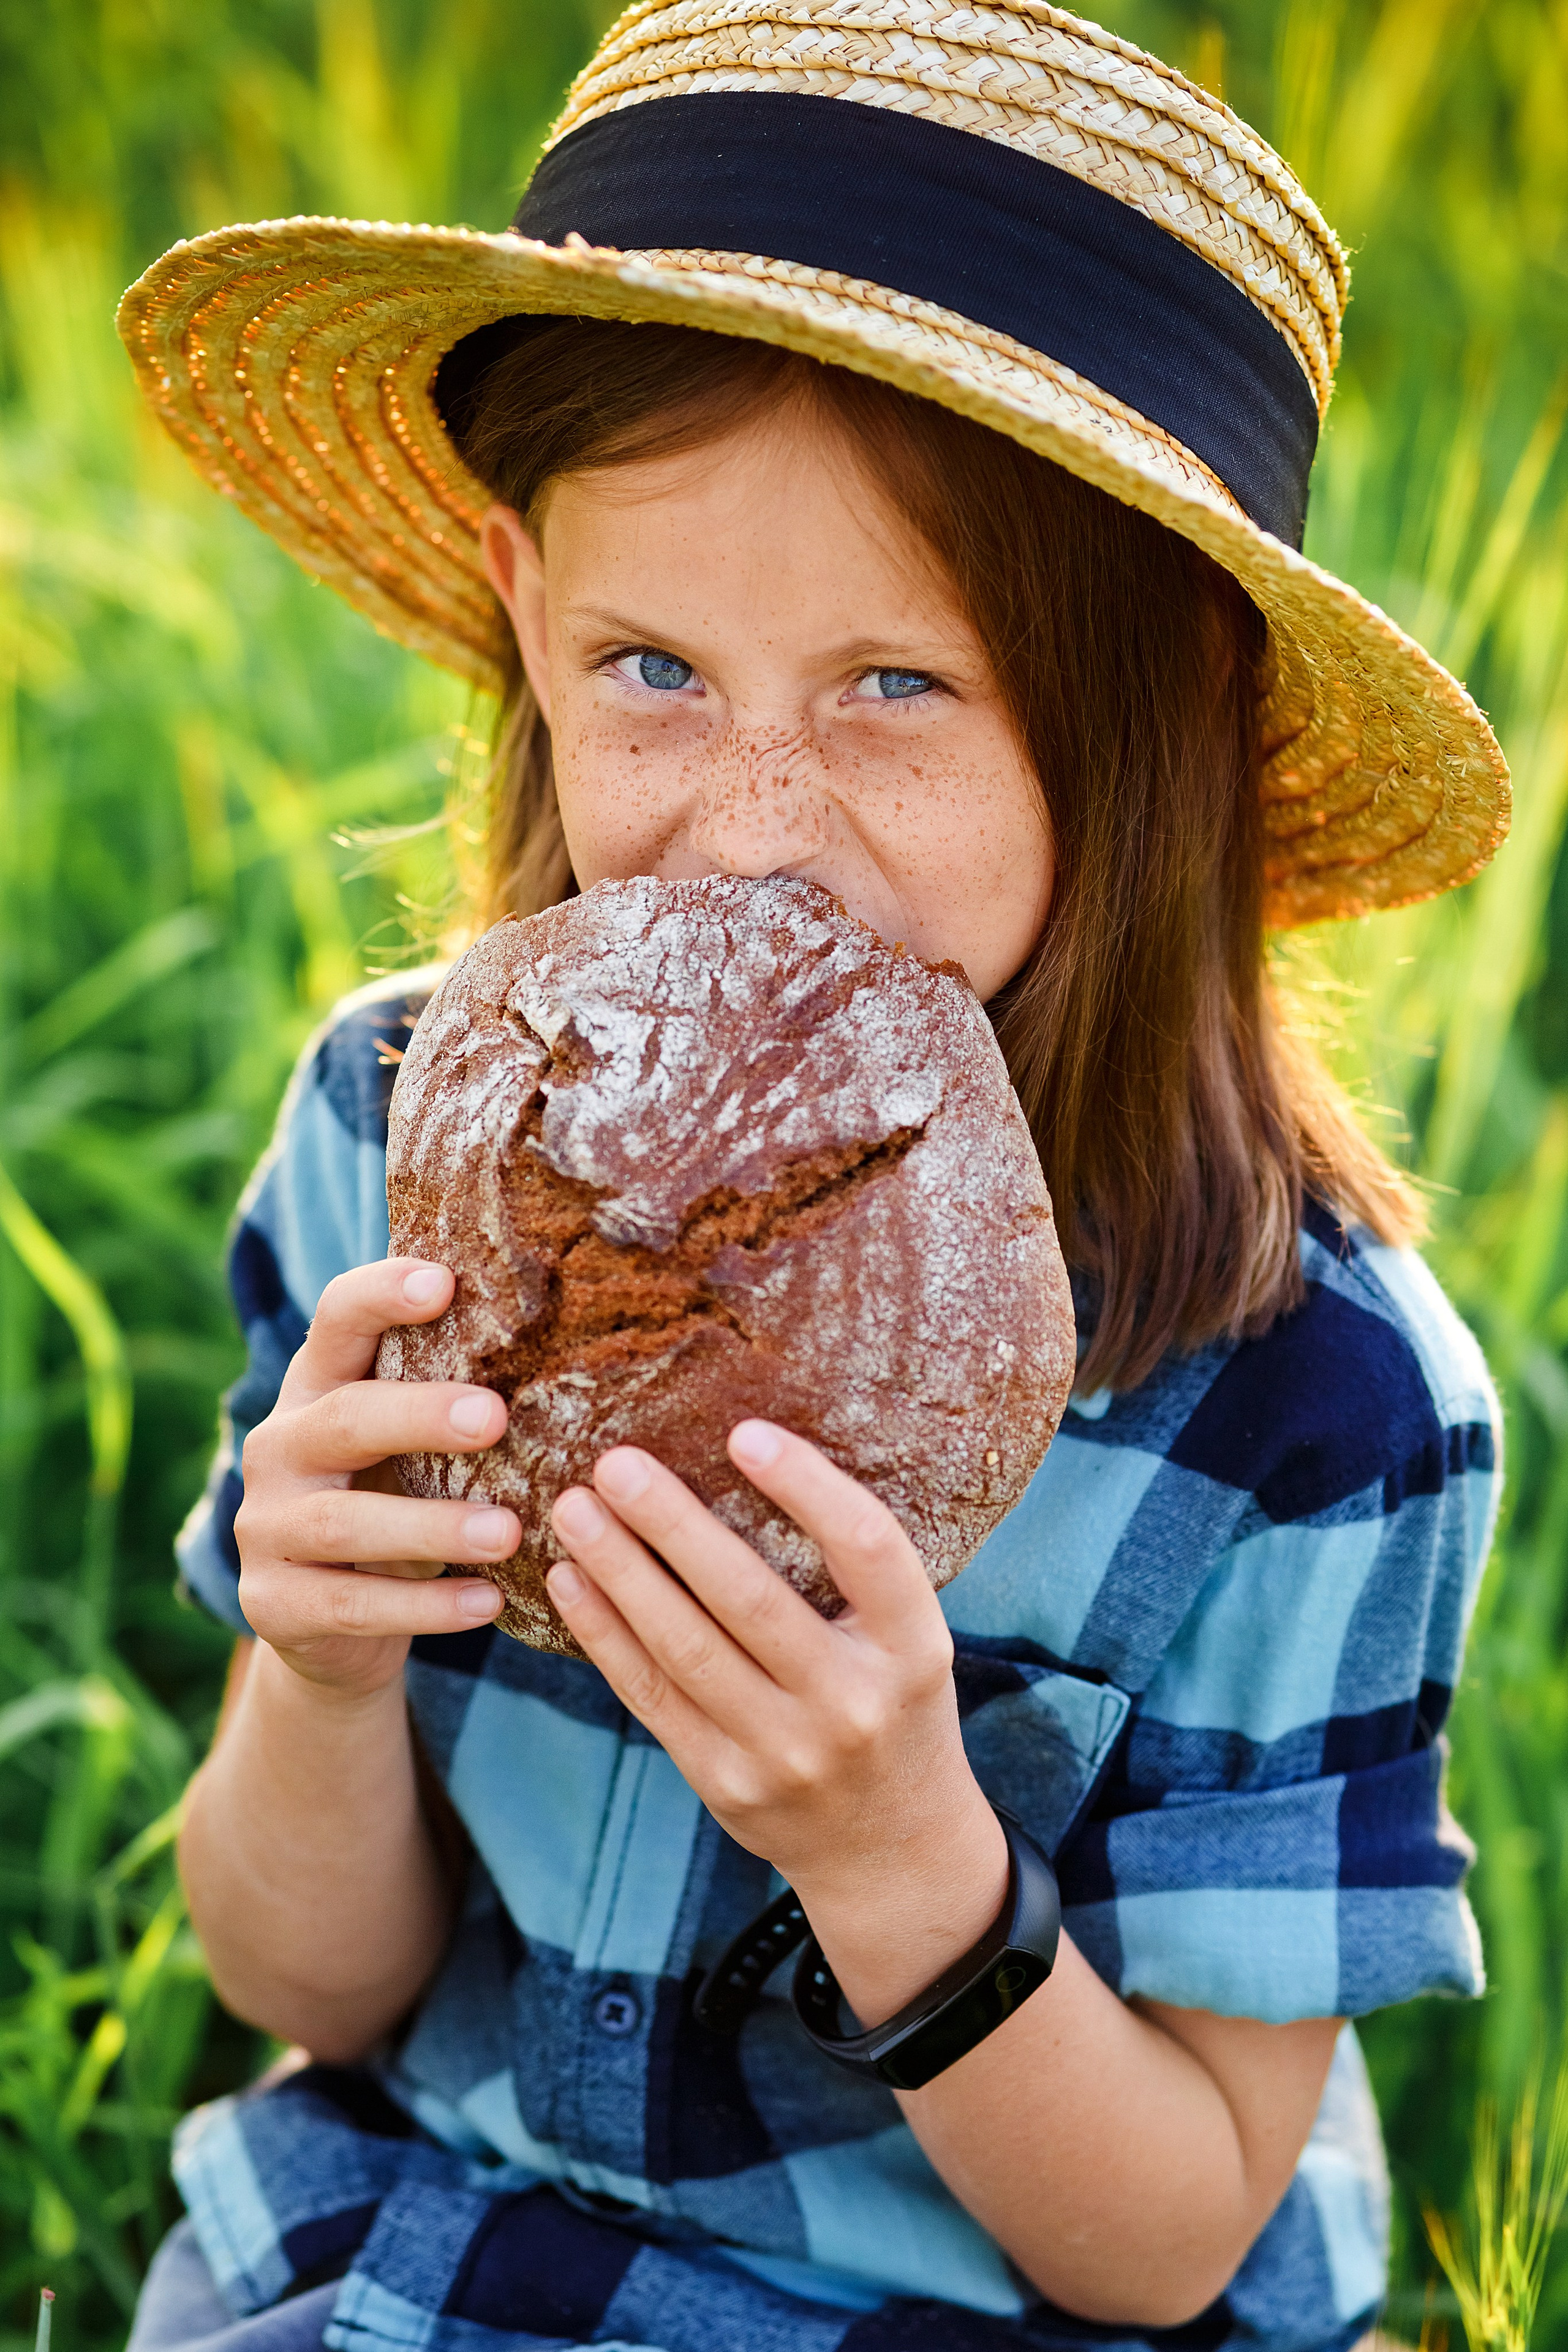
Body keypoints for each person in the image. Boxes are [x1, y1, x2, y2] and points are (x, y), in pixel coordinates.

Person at [118, 7, 1508, 2350]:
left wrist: (901, 1859)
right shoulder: (406, 1139)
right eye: (652, 667)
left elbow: (1171, 2239)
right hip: (432, 2248)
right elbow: (308, 1991)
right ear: (524, 608)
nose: (756, 831)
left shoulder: (1320, 1394)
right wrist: (326, 1671)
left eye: (898, 688)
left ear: (1160, 716)